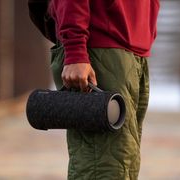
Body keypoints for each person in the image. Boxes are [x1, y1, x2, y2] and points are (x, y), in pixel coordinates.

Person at [42, 0, 159, 179]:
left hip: (131, 47)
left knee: (121, 167)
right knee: (102, 169)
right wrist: (75, 49)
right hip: (100, 45)